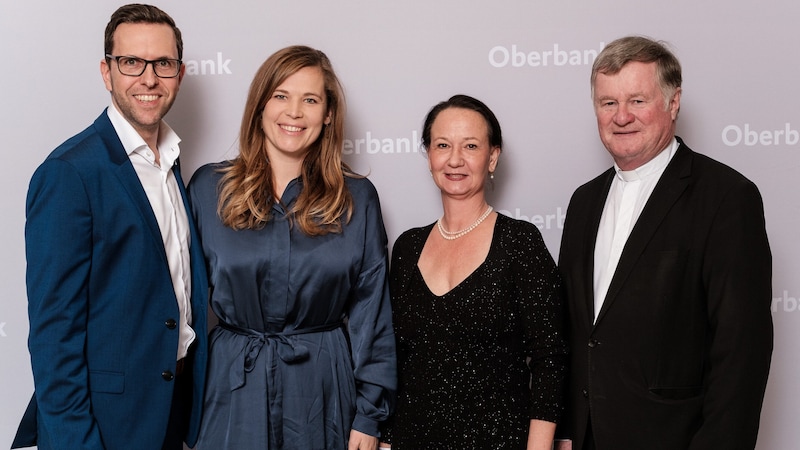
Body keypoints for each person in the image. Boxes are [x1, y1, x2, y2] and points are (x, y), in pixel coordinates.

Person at [556, 36, 773, 450]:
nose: (621, 117)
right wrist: (567, 431)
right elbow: (576, 334)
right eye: (608, 103)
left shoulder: (726, 197)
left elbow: (741, 353)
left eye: (637, 101)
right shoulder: (583, 202)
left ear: (673, 104)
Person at [12, 4, 208, 450]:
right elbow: (53, 336)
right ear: (107, 72)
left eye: (163, 63)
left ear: (179, 72)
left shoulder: (173, 163)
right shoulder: (70, 173)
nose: (149, 77)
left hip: (172, 409)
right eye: (131, 62)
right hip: (106, 423)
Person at [187, 45, 396, 450]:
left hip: (323, 391)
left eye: (311, 100)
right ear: (260, 104)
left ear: (328, 114)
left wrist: (370, 417)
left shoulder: (358, 198)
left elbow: (374, 316)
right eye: (281, 95)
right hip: (231, 390)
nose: (294, 112)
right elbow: (180, 306)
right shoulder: (207, 188)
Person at [380, 94, 568, 449]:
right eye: (442, 145)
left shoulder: (520, 242)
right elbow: (399, 362)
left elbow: (550, 357)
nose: (455, 159)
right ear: (429, 156)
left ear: (492, 156)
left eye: (470, 146)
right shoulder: (407, 248)